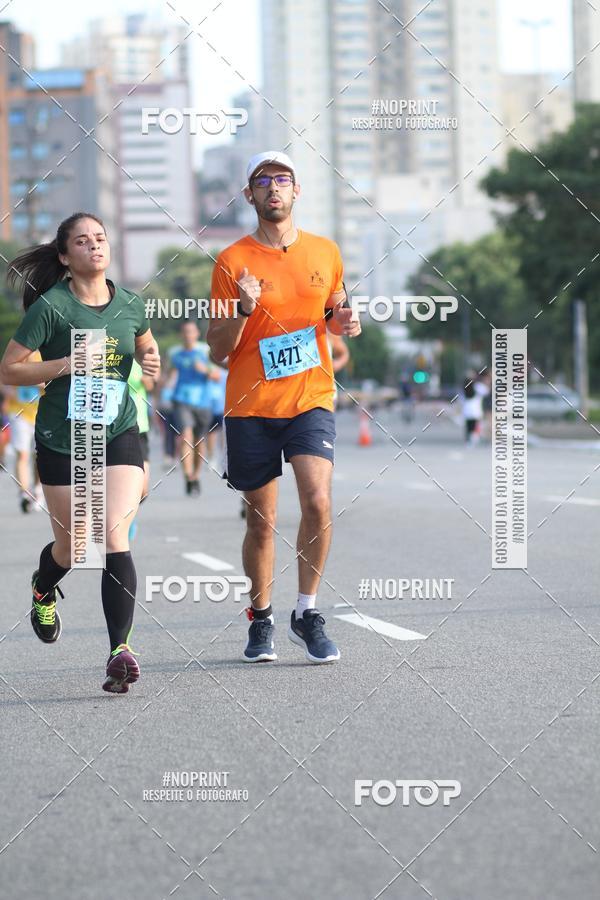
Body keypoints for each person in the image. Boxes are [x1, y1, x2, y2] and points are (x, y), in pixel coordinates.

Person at [207, 150, 361, 664]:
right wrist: (245, 309)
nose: (273, 188)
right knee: (260, 521)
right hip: (251, 406)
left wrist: (344, 323)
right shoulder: (232, 262)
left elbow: (335, 315)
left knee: (317, 500)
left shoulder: (325, 252)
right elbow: (217, 348)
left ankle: (307, 611)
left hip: (310, 398)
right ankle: (262, 616)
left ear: (297, 192)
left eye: (283, 180)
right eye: (262, 181)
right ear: (249, 195)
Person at [0, 212, 160, 693]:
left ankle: (120, 651)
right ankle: (43, 587)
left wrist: (151, 360)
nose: (95, 246)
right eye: (83, 241)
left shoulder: (131, 303)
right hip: (61, 438)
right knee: (75, 547)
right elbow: (9, 369)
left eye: (101, 238)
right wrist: (66, 362)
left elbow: (148, 353)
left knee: (112, 533)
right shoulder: (51, 308)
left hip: (117, 431)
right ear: (66, 257)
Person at [170, 321, 217, 496]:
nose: (188, 335)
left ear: (197, 333)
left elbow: (217, 376)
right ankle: (188, 476)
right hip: (181, 399)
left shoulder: (205, 352)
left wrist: (204, 370)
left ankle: (196, 476)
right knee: (186, 436)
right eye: (185, 332)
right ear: (181, 335)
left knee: (199, 442)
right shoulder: (176, 354)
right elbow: (171, 373)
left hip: (203, 402)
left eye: (191, 332)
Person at [2, 360, 43, 512]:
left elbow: (55, 383)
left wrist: (37, 382)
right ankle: (24, 494)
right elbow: (3, 379)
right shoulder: (15, 355)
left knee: (39, 456)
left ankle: (38, 489)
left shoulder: (44, 355)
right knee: (22, 454)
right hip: (18, 413)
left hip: (41, 413)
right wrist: (9, 391)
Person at [127, 358, 156, 539]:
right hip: (110, 427)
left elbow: (152, 382)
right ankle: (119, 519)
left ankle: (127, 514)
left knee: (143, 488)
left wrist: (149, 380)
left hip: (139, 426)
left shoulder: (141, 355)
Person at [462, 373, 489, 445]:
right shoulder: (478, 386)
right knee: (475, 426)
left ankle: (468, 440)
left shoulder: (464, 389)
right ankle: (474, 438)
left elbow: (461, 400)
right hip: (476, 410)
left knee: (469, 426)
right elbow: (486, 391)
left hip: (467, 411)